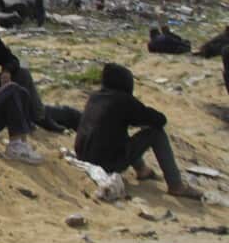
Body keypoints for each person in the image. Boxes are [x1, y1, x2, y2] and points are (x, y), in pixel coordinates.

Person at [74, 63, 203, 200]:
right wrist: (140, 114)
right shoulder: (123, 101)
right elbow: (159, 120)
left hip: (84, 158)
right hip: (106, 164)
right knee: (156, 133)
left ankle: (142, 170)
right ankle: (176, 185)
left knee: (117, 130)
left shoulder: (95, 97)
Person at [0, 13, 69, 131]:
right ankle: (17, 118)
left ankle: (40, 117)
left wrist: (6, 71)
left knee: (23, 73)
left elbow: (12, 59)